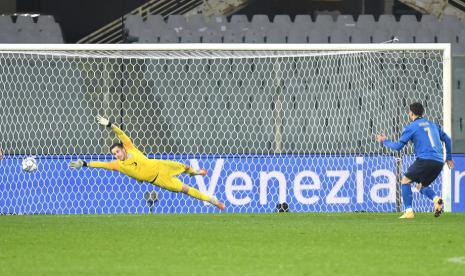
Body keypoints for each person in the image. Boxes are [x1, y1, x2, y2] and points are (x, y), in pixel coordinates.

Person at [69, 115, 225, 210]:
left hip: (159, 165)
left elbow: (121, 133)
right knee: (185, 189)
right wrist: (84, 163)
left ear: (122, 149)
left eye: (117, 151)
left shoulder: (130, 147)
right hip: (159, 180)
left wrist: (110, 125)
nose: (116, 155)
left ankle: (195, 172)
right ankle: (212, 200)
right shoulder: (118, 165)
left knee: (183, 166)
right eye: (114, 154)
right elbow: (101, 165)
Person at [376, 102, 454, 219]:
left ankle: (408, 211)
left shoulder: (411, 127)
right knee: (420, 186)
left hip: (425, 160)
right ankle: (436, 200)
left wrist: (384, 141)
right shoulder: (434, 125)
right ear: (422, 112)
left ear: (411, 113)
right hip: (438, 162)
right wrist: (448, 158)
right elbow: (447, 139)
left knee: (405, 181)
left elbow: (398, 147)